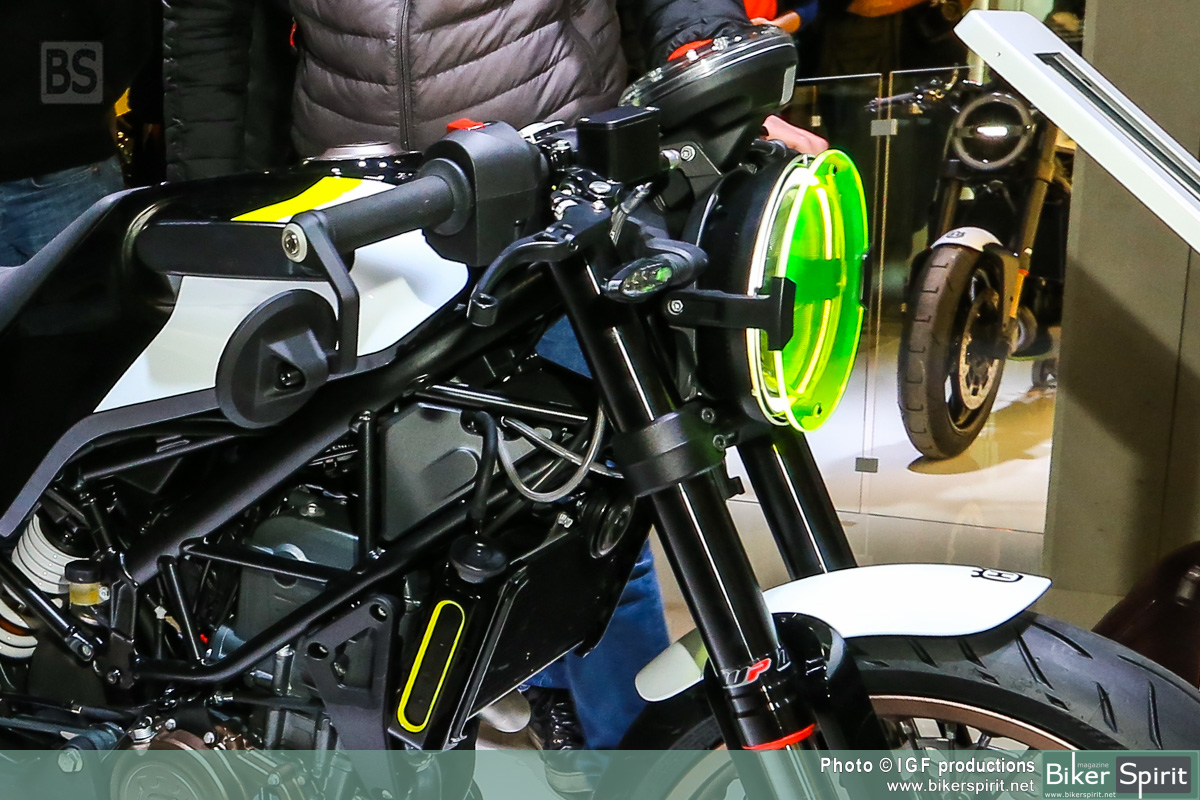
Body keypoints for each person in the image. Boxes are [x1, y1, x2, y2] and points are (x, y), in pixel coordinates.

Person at [163, 0, 823, 752]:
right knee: (388, 528)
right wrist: (212, 206)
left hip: (553, 183)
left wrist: (710, 67)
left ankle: (615, 749)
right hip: (355, 205)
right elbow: (216, 26)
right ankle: (501, 713)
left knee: (588, 510)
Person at [0, 2, 149, 265]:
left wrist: (68, 113)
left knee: (86, 287)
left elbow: (129, 27)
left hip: (64, 171)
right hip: (65, 161)